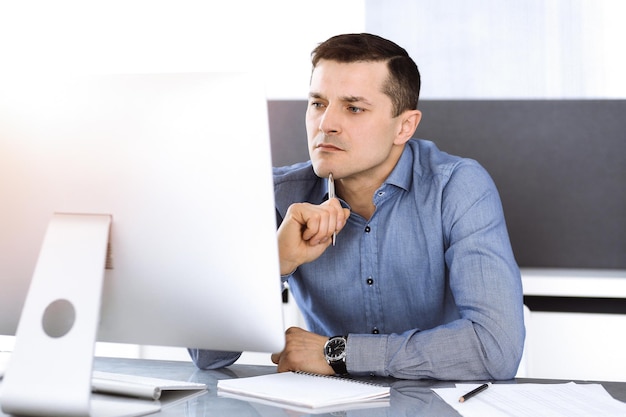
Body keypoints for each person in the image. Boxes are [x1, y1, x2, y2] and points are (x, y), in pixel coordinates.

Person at [189, 33, 525, 380]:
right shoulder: (279, 195)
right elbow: (207, 355)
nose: (326, 124)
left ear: (404, 126)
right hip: (327, 404)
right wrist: (277, 263)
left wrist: (337, 354)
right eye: (318, 103)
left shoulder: (457, 187)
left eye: (353, 108)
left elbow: (495, 349)